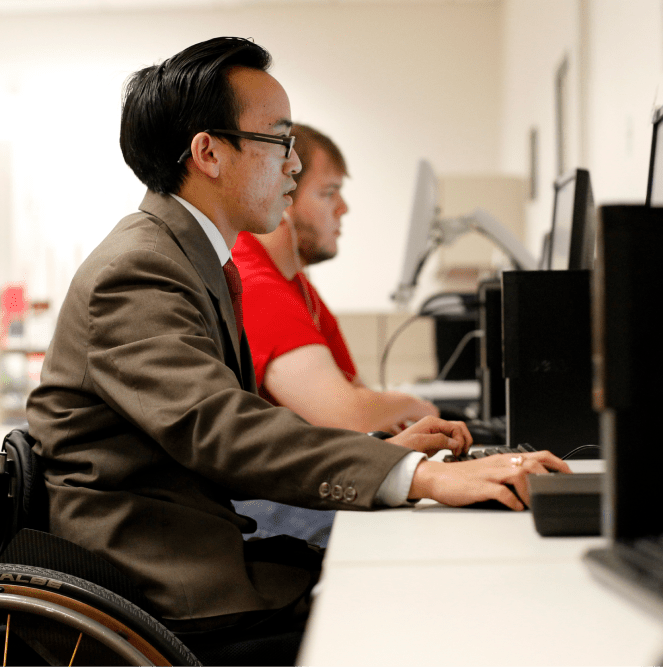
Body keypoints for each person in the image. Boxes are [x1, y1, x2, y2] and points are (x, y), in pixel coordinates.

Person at [25, 36, 569, 659]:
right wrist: (417, 477)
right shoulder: (139, 270)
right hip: (166, 591)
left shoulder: (182, 255)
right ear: (208, 153)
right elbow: (222, 430)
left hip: (195, 560)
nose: (292, 164)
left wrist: (386, 459)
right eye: (279, 141)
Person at [232, 123, 436, 434]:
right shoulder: (256, 286)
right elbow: (347, 416)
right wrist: (418, 406)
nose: (343, 208)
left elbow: (356, 390)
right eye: (329, 193)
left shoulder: (296, 285)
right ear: (282, 198)